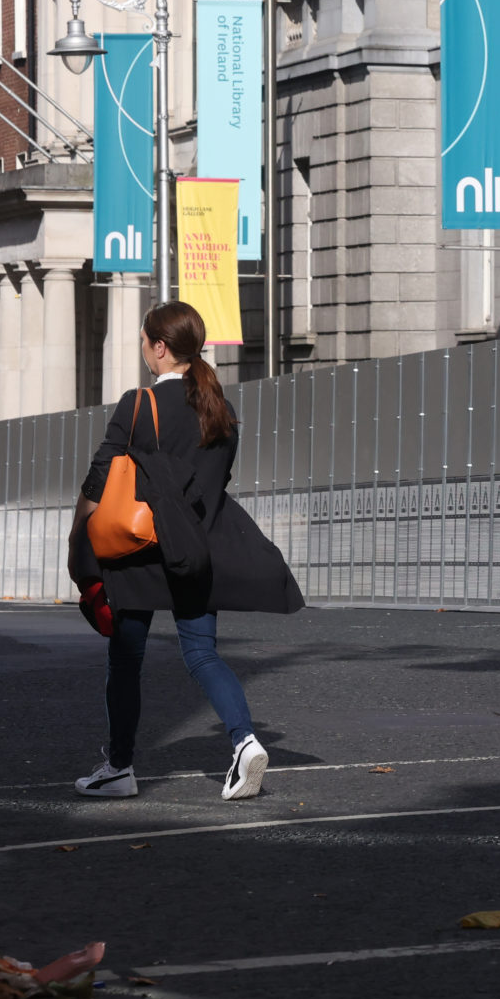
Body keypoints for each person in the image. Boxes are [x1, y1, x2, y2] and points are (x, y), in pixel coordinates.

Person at [68, 301, 302, 801]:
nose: (144, 351)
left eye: (144, 342)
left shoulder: (139, 404)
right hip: (196, 547)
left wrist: (78, 536)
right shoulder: (219, 408)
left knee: (126, 660)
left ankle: (120, 768)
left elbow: (99, 477)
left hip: (137, 550)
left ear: (159, 346)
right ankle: (244, 740)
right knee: (201, 653)